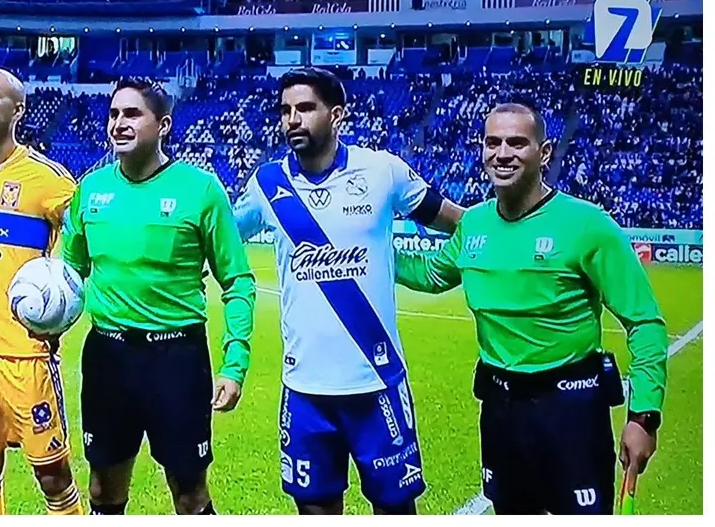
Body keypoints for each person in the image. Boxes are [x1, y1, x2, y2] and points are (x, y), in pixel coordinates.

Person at [394, 102, 667, 515]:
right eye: (493, 142)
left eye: (517, 142)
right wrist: (367, 251)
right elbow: (432, 275)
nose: (502, 153)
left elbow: (645, 322)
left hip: (572, 411)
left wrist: (643, 417)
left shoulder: (588, 225)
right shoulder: (474, 224)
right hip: (501, 410)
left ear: (545, 152)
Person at [233, 68, 462, 515]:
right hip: (304, 389)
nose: (292, 119)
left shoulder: (383, 171)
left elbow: (460, 222)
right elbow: (218, 237)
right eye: (285, 110)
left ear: (337, 115)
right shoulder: (266, 185)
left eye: (305, 108)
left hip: (377, 383)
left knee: (396, 510)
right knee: (315, 510)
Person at [61, 77, 256, 515]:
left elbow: (238, 281)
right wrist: (48, 322)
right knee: (102, 490)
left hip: (176, 360)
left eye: (132, 114)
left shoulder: (200, 190)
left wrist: (235, 363)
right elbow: (69, 274)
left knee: (189, 493)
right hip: (107, 357)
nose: (119, 123)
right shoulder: (90, 190)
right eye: (113, 114)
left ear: (163, 124)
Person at [0, 67, 84, 515]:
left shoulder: (48, 179)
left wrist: (63, 297)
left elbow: (85, 235)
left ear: (18, 110)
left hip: (26, 354)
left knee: (52, 474)